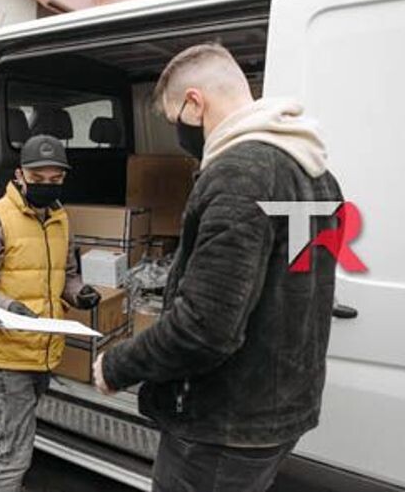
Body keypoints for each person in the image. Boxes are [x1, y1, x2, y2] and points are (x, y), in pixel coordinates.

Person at [92, 43, 344, 492]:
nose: (178, 133)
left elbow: (205, 328)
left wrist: (117, 365)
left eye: (174, 119)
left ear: (195, 103)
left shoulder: (238, 176)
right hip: (277, 412)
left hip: (221, 422)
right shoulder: (316, 174)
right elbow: (296, 292)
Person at [0, 134, 102, 492]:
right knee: (17, 452)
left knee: (6, 434)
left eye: (55, 180)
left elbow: (66, 275)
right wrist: (10, 308)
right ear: (20, 175)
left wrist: (79, 293)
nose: (46, 186)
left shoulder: (60, 217)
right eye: (38, 179)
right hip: (7, 356)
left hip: (43, 351)